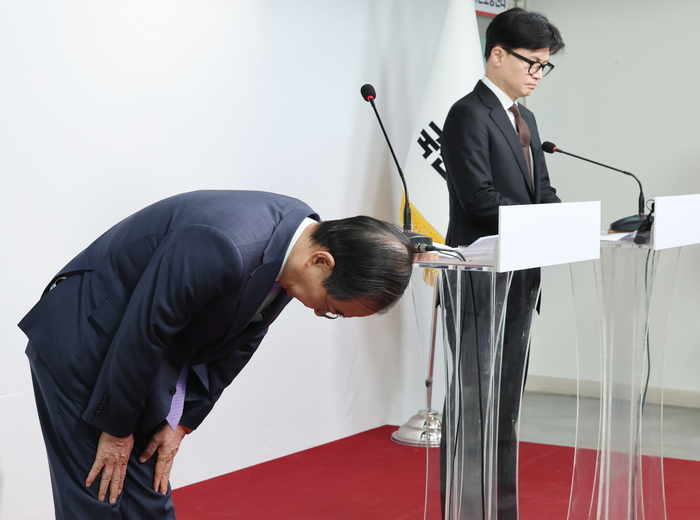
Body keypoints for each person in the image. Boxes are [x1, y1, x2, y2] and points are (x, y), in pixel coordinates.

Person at [19, 190, 414, 520]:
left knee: (148, 496)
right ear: (322, 261)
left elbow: (242, 340)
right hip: (85, 335)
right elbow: (146, 329)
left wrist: (181, 421)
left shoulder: (295, 245)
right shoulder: (225, 244)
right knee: (98, 495)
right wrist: (118, 428)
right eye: (333, 307)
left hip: (137, 356)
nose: (322, 312)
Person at [439, 8, 564, 519]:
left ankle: (501, 509)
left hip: (521, 277)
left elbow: (544, 191)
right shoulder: (468, 114)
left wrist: (563, 222)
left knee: (506, 406)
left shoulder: (525, 118)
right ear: (497, 55)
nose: (538, 74)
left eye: (544, 66)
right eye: (532, 63)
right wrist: (542, 222)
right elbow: (479, 201)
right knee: (474, 403)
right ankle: (465, 508)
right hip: (479, 281)